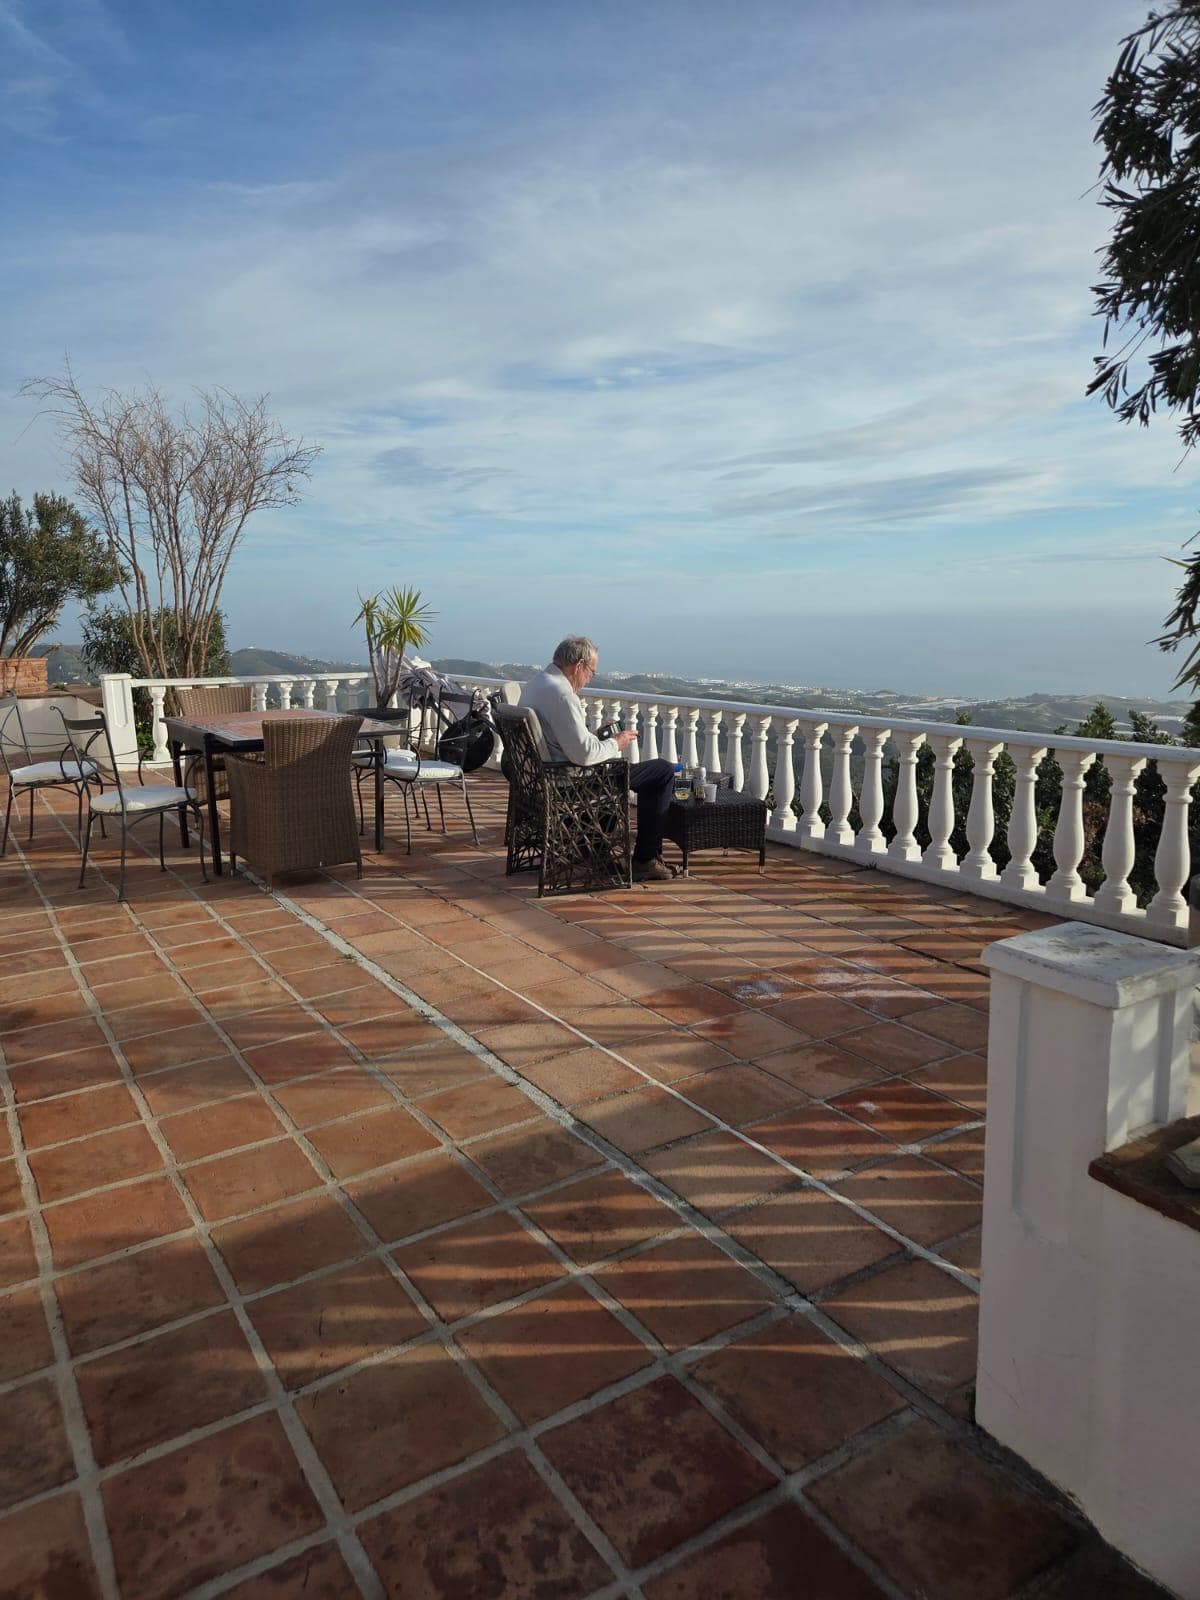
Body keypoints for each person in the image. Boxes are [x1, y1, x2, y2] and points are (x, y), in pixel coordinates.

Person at [519, 636, 676, 882]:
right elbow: (584, 755)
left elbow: (564, 740)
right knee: (662, 771)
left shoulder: (536, 684)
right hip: (570, 783)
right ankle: (645, 859)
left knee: (646, 772)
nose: (589, 678)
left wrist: (594, 736)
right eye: (591, 672)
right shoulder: (562, 694)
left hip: (544, 778)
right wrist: (617, 743)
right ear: (579, 665)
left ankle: (594, 848)